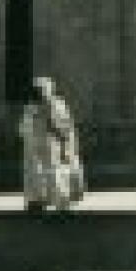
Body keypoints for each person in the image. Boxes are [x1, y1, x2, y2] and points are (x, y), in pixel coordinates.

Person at [19, 77, 86, 213]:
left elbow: (62, 126)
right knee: (36, 173)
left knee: (55, 173)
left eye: (40, 90)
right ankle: (37, 199)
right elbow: (25, 126)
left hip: (50, 145)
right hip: (35, 146)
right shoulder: (31, 107)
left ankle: (61, 201)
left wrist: (64, 143)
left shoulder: (55, 105)